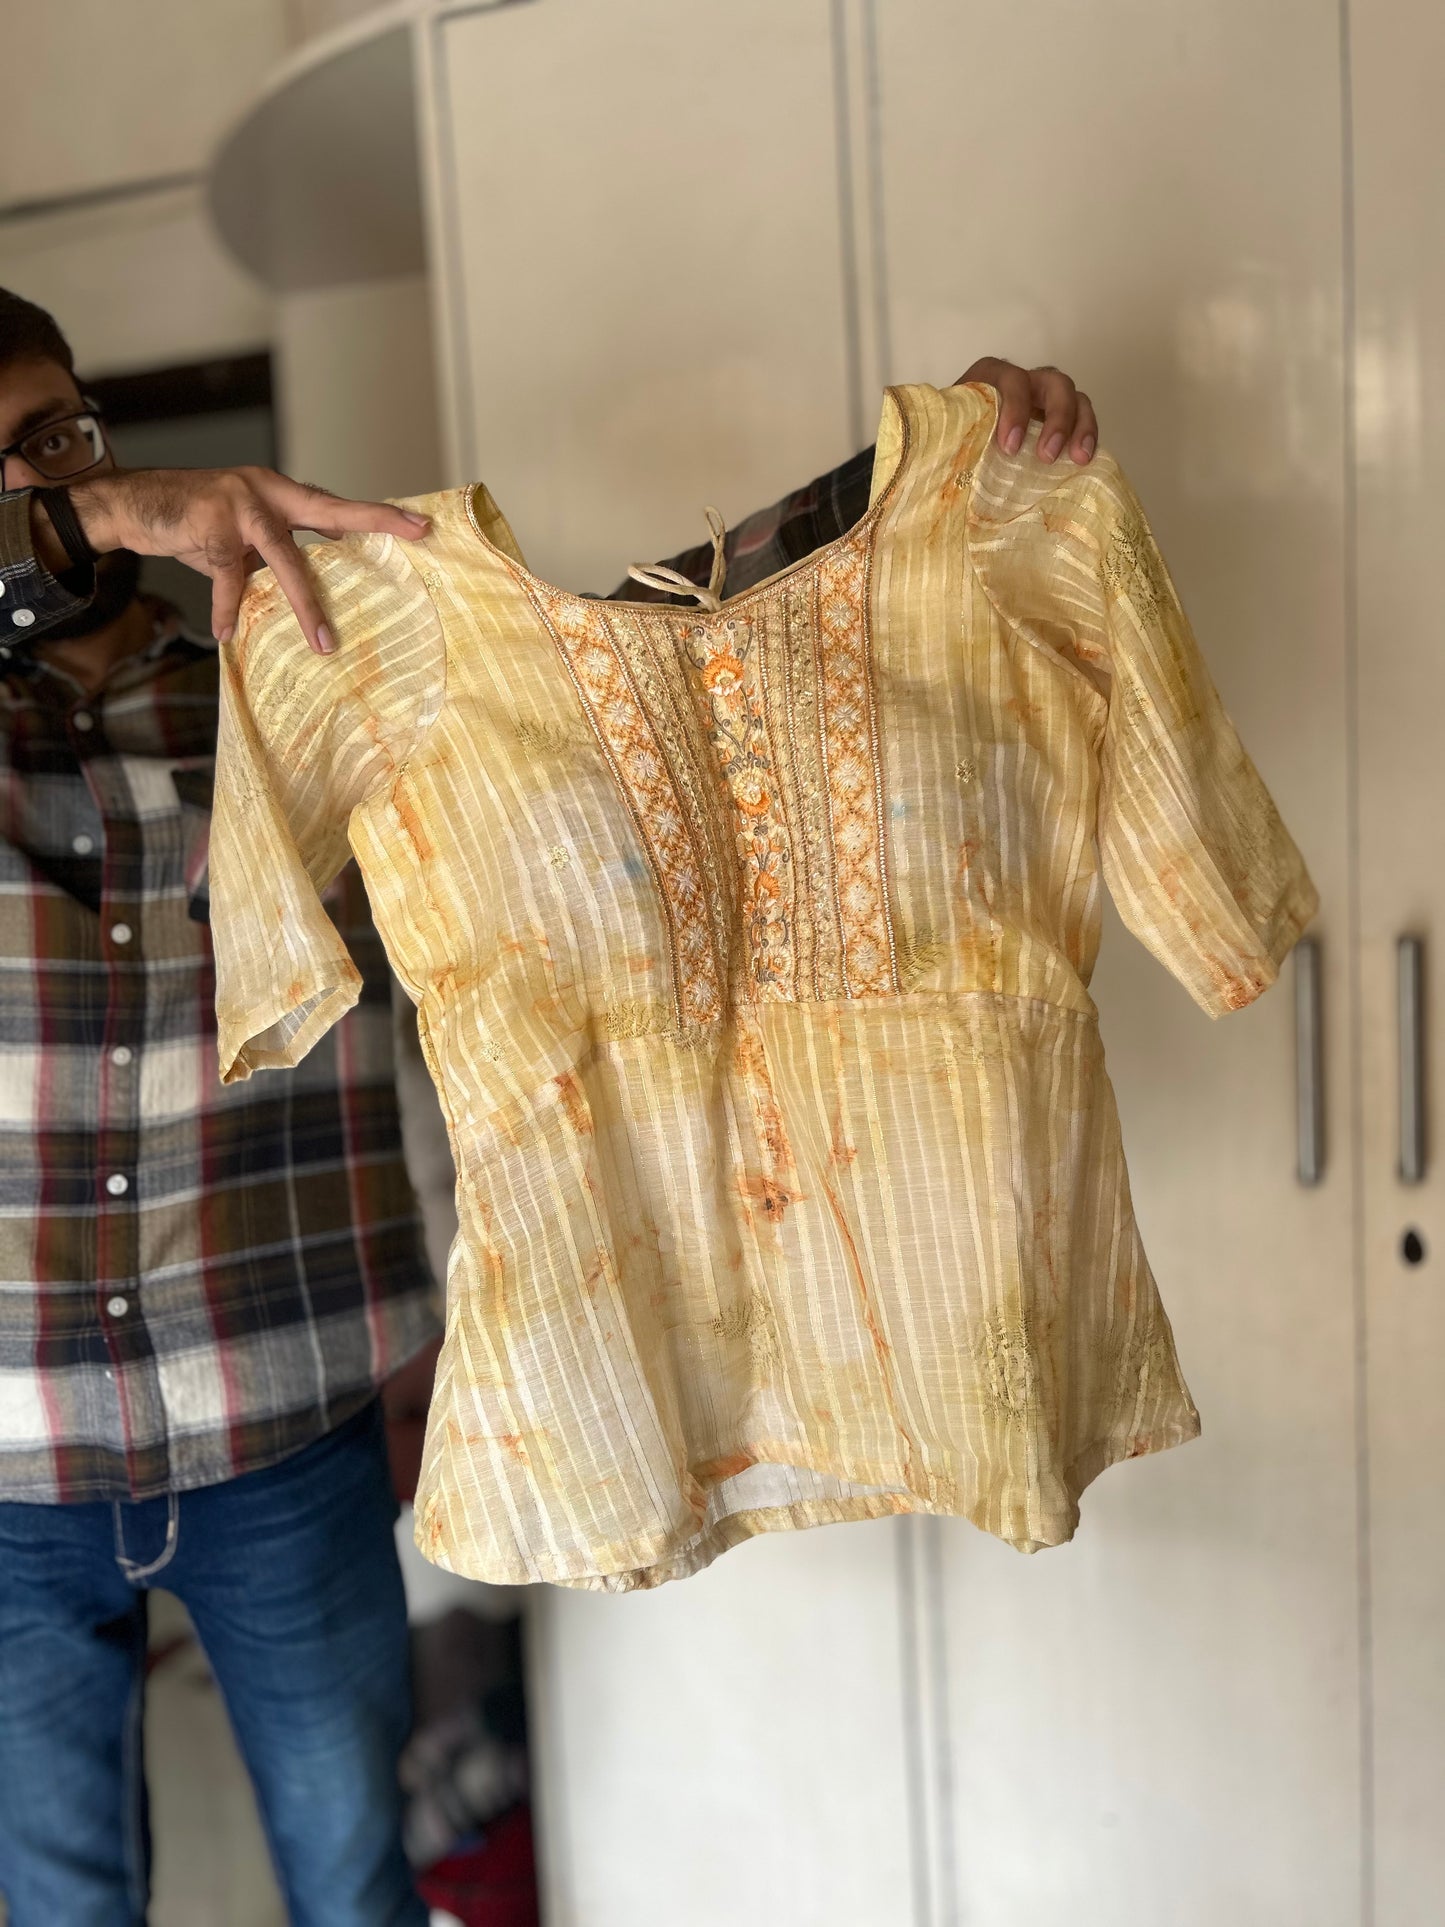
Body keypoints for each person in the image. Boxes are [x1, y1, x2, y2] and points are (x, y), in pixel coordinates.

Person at [0, 282, 1100, 1927]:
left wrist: (926, 472)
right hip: (9, 1456)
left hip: (281, 1400)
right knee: (60, 1903)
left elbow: (621, 654)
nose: (43, 483)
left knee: (359, 1877)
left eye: (58, 438)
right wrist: (92, 518)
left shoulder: (292, 656)